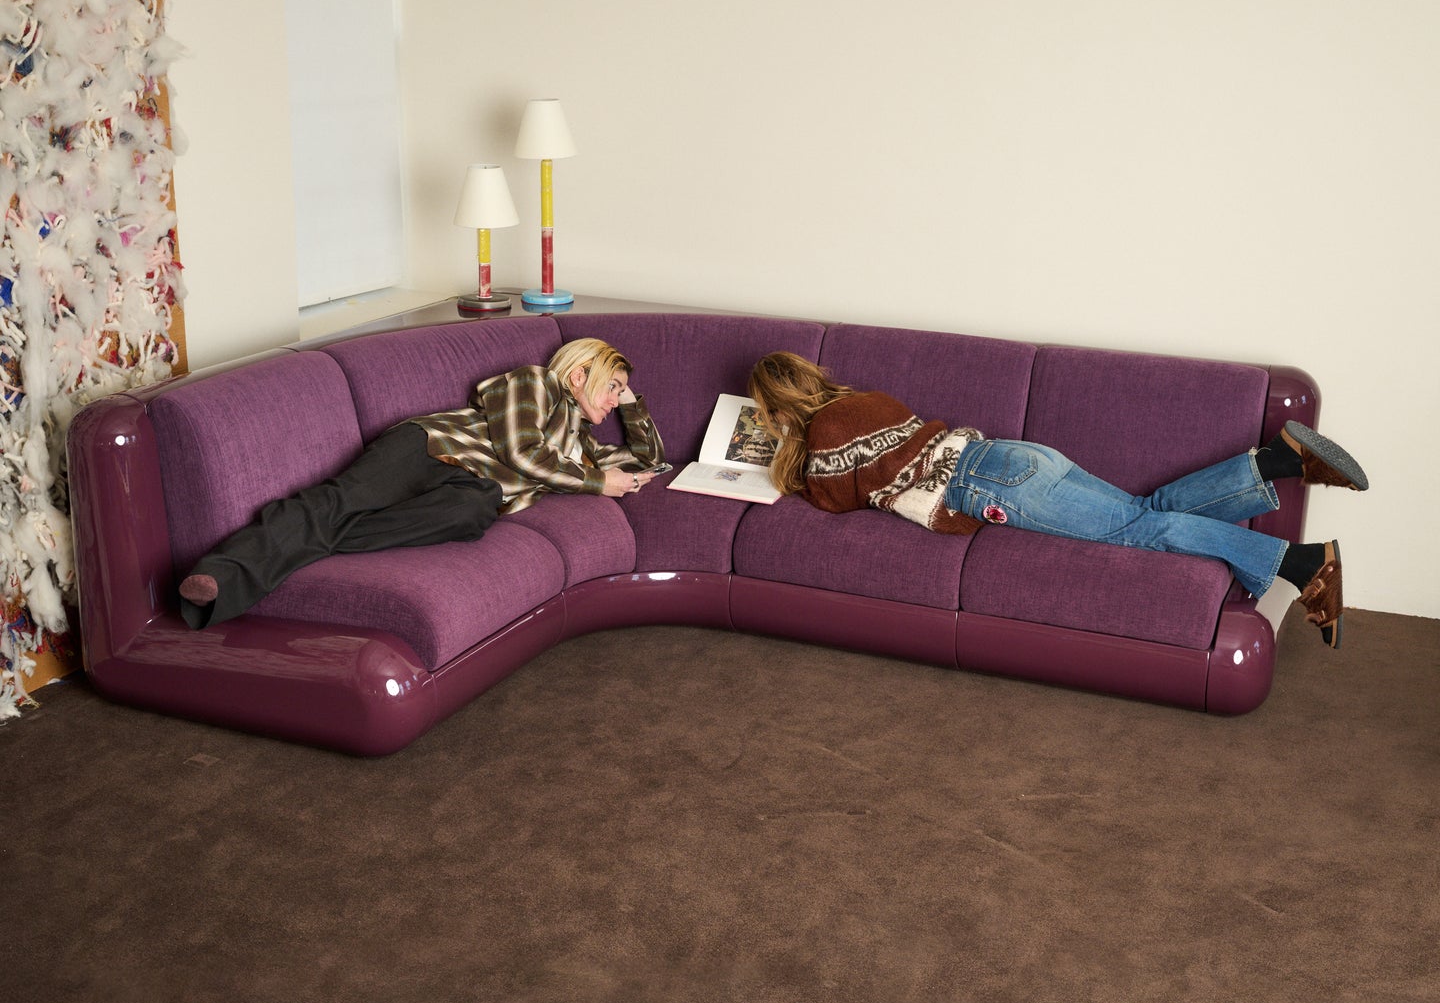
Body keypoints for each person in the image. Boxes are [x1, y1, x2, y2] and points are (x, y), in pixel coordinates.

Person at [747, 352, 1367, 650]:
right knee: (1147, 513)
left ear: (777, 408)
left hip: (988, 487)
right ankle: (1277, 460)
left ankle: (1299, 564)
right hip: (1012, 456)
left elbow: (831, 498)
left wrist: (787, 453)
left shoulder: (824, 433)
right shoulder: (869, 398)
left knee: (1139, 532)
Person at [178, 337, 665, 629]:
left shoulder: (579, 444)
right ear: (578, 375)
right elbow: (521, 452)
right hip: (430, 448)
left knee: (475, 512)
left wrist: (632, 405)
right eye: (612, 387)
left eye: (620, 391)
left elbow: (651, 459)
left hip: (469, 489)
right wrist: (597, 482)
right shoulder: (537, 383)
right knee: (340, 500)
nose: (614, 399)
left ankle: (312, 541)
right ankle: (221, 577)